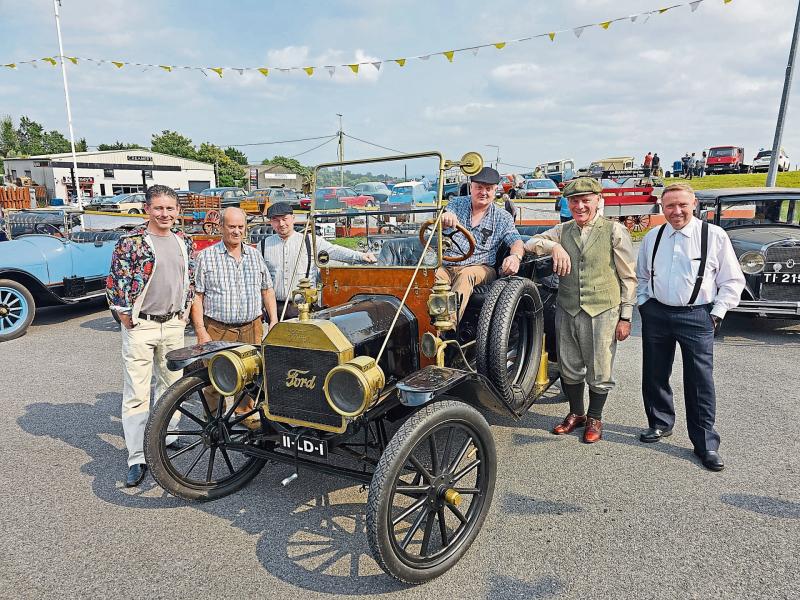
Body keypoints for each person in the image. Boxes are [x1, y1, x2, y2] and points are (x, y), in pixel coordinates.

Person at [636, 183, 745, 471]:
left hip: (698, 315)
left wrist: (716, 313)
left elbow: (732, 281)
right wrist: (645, 304)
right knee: (655, 372)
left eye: (682, 205)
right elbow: (643, 276)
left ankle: (706, 444)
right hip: (657, 314)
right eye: (670, 206)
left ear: (694, 204)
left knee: (699, 381)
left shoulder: (714, 236)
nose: (676, 211)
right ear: (662, 207)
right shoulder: (653, 236)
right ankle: (660, 423)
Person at [524, 177, 637, 443]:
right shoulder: (563, 230)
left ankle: (595, 417)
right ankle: (576, 413)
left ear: (598, 200)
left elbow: (628, 277)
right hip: (568, 308)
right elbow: (530, 242)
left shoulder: (613, 231)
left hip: (603, 310)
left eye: (586, 200)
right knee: (569, 366)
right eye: (574, 201)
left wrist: (626, 316)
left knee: (599, 368)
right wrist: (555, 247)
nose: (580, 206)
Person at [106, 184, 194, 487]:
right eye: (159, 208)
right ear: (147, 209)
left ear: (178, 212)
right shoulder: (130, 242)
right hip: (141, 325)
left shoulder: (185, 241)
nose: (165, 213)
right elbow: (116, 282)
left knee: (172, 385)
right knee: (137, 393)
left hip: (172, 324)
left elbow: (189, 278)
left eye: (170, 208)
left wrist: (184, 312)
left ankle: (168, 437)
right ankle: (137, 457)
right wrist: (124, 315)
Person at [191, 207, 278, 427]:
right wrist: (201, 330)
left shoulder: (255, 255)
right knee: (214, 378)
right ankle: (213, 419)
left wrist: (274, 322)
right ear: (221, 227)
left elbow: (267, 290)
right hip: (217, 329)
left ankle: (245, 414)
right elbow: (197, 296)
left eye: (240, 227)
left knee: (251, 375)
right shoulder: (207, 257)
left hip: (251, 327)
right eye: (231, 226)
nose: (236, 231)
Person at [260, 202, 377, 318]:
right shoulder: (263, 245)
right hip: (274, 309)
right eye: (276, 220)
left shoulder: (310, 241)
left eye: (285, 219)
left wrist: (360, 256)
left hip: (304, 307)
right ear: (271, 222)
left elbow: (334, 251)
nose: (281, 224)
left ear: (293, 218)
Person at [439, 166, 524, 320]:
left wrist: (515, 257)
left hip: (480, 268)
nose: (483, 192)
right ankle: (424, 328)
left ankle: (447, 329)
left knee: (466, 275)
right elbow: (445, 216)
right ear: (471, 187)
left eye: (488, 188)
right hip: (447, 264)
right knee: (433, 276)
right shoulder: (456, 204)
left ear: (495, 190)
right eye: (479, 187)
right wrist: (446, 218)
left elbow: (516, 240)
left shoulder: (502, 217)